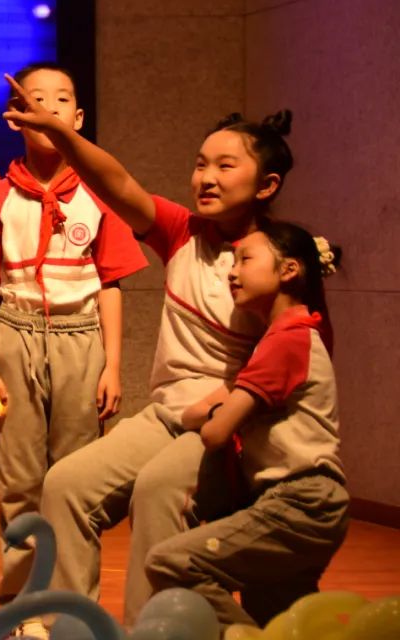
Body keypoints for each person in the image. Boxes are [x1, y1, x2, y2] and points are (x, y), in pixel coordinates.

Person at [3, 82, 297, 630]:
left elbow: (290, 359)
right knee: (66, 484)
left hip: (229, 429)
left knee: (159, 490)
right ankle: (72, 627)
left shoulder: (281, 261)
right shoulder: (183, 232)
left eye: (225, 166)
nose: (205, 177)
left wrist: (225, 406)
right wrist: (59, 134)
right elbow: (116, 183)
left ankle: (153, 631)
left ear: (267, 185)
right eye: (200, 164)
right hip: (167, 417)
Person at [0, 64, 146, 634]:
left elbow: (110, 283)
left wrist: (113, 365)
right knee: (19, 478)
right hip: (14, 335)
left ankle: (71, 605)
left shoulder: (97, 195)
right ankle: (22, 602)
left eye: (61, 100)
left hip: (80, 340)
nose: (48, 109)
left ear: (77, 118)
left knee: (75, 478)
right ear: (16, 117)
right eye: (35, 100)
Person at [146, 222, 347, 631]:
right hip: (306, 502)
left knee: (171, 562)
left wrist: (214, 412)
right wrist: (214, 410)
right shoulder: (292, 335)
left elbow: (214, 433)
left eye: (245, 260)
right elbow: (202, 415)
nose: (231, 272)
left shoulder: (286, 340)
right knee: (282, 623)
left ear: (289, 270)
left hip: (300, 501)